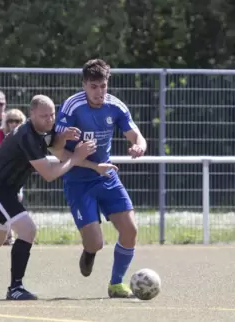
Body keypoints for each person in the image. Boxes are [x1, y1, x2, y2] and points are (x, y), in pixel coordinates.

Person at [0, 95, 101, 299]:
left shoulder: (43, 129)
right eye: (44, 116)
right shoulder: (26, 135)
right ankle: (15, 288)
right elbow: (49, 174)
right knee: (28, 230)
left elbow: (51, 142)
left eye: (52, 115)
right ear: (31, 115)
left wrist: (63, 137)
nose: (50, 120)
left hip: (5, 190)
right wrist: (76, 158)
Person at [53, 59, 147, 298]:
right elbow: (55, 149)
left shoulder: (116, 107)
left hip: (105, 176)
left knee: (130, 229)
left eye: (103, 86)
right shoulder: (71, 107)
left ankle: (116, 284)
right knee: (96, 243)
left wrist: (139, 146)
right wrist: (67, 140)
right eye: (93, 86)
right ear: (84, 85)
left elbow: (138, 137)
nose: (99, 92)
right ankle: (89, 251)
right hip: (78, 180)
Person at [0, 108, 28, 245]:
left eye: (17, 121)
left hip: (17, 175)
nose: (13, 123)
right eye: (10, 121)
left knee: (17, 200)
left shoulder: (25, 134)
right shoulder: (0, 133)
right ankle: (4, 236)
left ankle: (10, 235)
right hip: (1, 176)